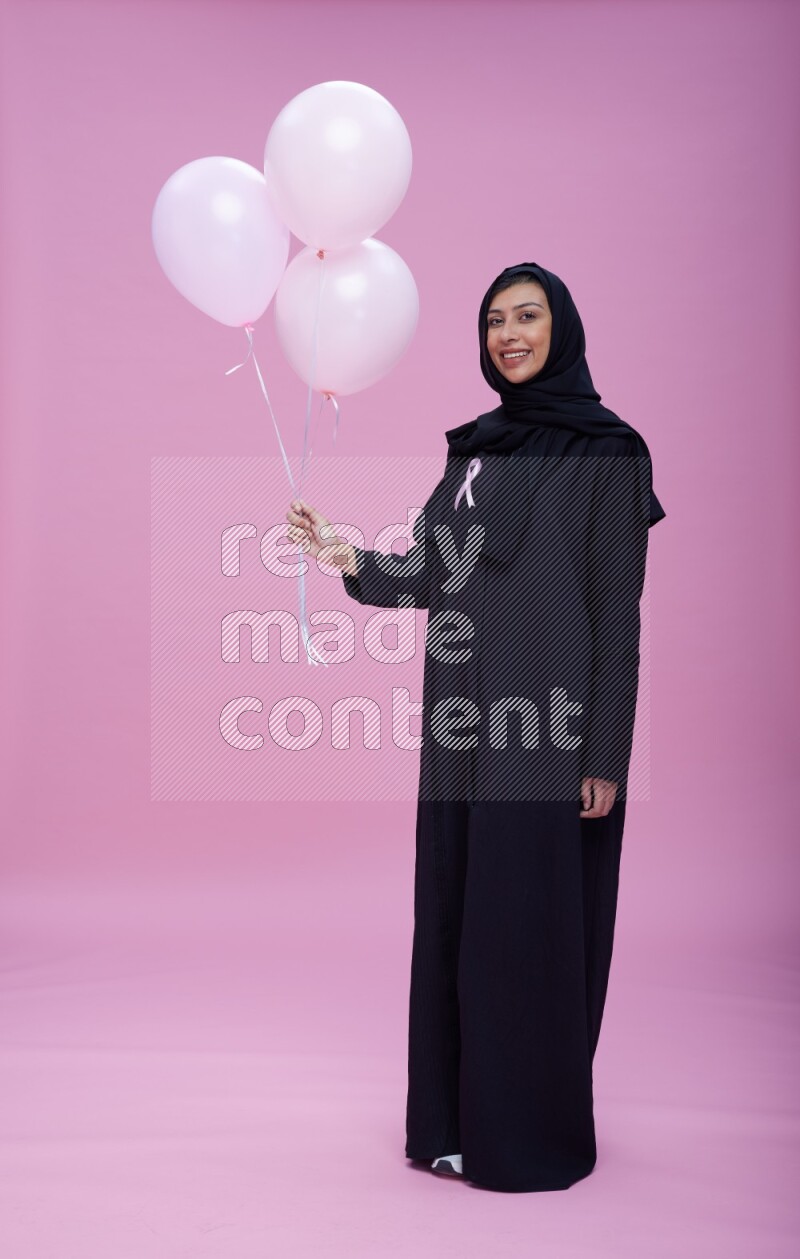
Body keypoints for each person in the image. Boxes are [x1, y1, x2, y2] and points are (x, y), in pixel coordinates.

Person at [285, 262, 666, 1193]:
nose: (509, 334)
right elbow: (430, 571)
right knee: (458, 919)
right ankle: (453, 1126)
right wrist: (349, 558)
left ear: (561, 328)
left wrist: (604, 754)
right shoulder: (476, 452)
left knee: (526, 936)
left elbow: (619, 615)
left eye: (527, 316)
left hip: (550, 738)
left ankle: (526, 1137)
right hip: (460, 725)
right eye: (495, 320)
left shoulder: (610, 452)